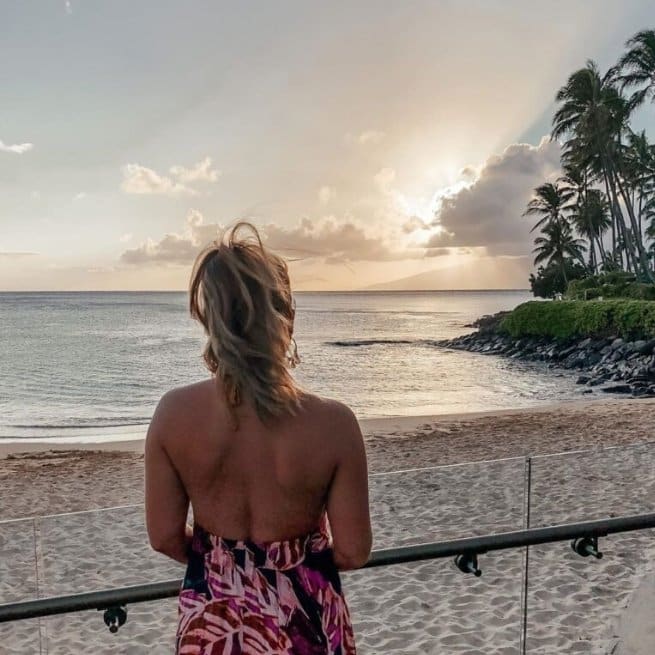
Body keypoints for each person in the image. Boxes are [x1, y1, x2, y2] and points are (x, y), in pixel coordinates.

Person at [145, 222, 371, 654]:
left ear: (206, 316)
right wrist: (293, 564)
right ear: (285, 313)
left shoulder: (173, 415)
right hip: (303, 618)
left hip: (214, 615)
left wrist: (225, 562)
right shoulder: (334, 424)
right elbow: (354, 550)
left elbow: (164, 537)